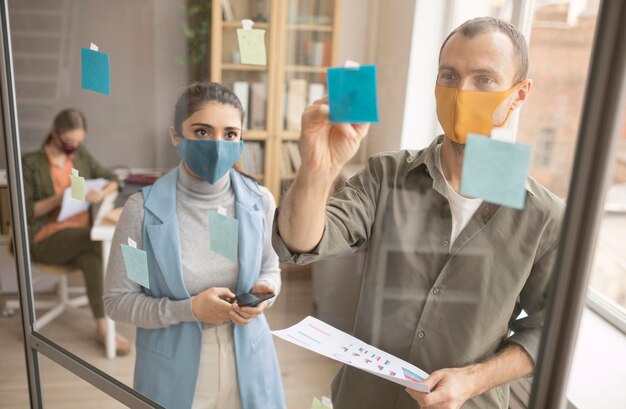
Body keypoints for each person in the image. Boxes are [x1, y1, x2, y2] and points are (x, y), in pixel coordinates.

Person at [272, 17, 564, 409]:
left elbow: (549, 329)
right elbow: (300, 242)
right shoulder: (386, 174)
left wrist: (474, 379)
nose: (462, 93)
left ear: (519, 94)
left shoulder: (543, 215)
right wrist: (317, 169)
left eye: (484, 80)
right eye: (450, 75)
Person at [103, 82, 286, 409]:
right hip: (172, 368)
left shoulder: (261, 201)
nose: (218, 145)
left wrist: (263, 294)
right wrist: (188, 310)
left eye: (230, 134)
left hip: (250, 362)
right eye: (202, 132)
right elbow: (118, 301)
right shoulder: (141, 212)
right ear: (176, 135)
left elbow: (270, 269)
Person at [22, 108, 131, 355]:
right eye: (70, 141)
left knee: (92, 256)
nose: (74, 146)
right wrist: (58, 199)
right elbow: (24, 211)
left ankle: (102, 326)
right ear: (54, 134)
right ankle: (122, 308)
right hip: (45, 238)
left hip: (79, 237)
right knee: (95, 243)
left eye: (78, 142)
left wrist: (102, 192)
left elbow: (113, 177)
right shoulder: (30, 163)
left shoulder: (79, 157)